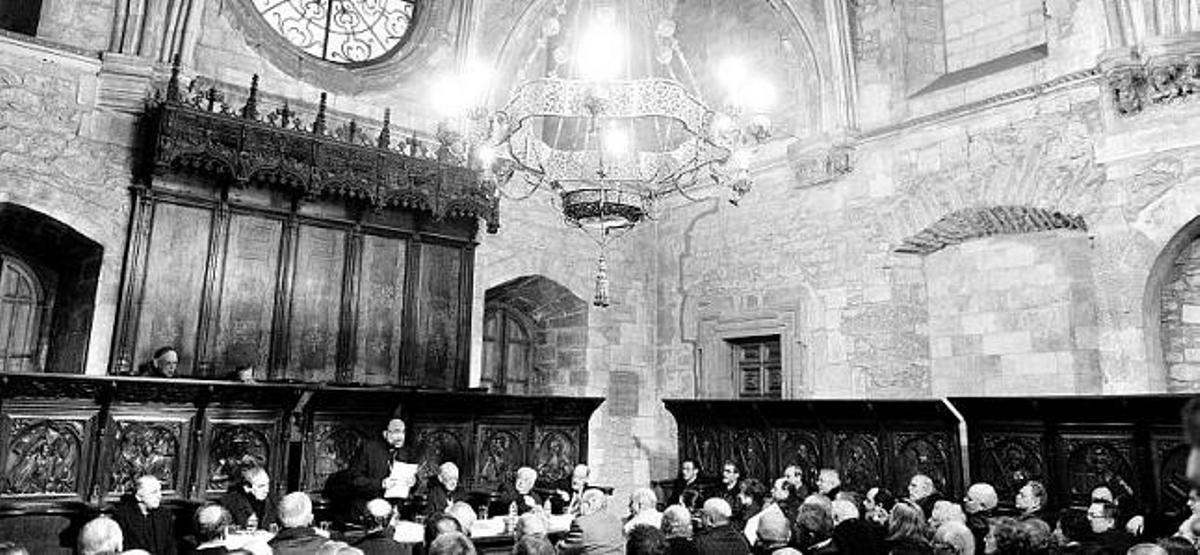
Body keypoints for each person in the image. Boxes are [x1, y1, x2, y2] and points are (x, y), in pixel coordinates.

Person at [347, 418, 417, 502]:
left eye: (403, 432)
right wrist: (381, 484)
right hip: (370, 503)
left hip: (396, 505)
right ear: (385, 433)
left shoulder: (406, 452)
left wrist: (413, 482)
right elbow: (354, 480)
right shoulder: (369, 449)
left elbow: (414, 480)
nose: (401, 436)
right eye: (396, 432)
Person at [112, 475, 176, 555]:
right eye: (154, 492)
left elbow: (171, 547)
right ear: (139, 497)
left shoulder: (164, 515)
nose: (159, 496)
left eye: (160, 491)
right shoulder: (123, 516)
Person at [556, 488, 625, 554]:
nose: (579, 509)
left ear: (589, 503)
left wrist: (558, 543)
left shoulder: (581, 523)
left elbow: (564, 550)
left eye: (580, 504)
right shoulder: (616, 521)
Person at [222, 465, 278, 531]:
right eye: (261, 486)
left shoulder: (270, 503)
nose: (267, 490)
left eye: (267, 485)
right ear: (247, 487)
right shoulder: (230, 503)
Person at [962, 483, 997, 554]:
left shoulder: (977, 528)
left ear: (982, 506)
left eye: (970, 499)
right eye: (966, 497)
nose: (964, 500)